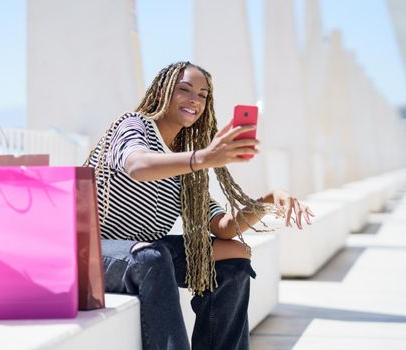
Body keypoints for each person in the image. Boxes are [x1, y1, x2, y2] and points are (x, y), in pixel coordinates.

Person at [84, 61, 314, 350]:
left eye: (203, 95)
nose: (195, 100)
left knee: (234, 254)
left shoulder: (182, 160)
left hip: (143, 250)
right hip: (95, 252)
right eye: (184, 90)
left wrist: (267, 200)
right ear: (161, 93)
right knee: (152, 258)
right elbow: (137, 165)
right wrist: (203, 158)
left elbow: (225, 228)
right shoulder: (133, 125)